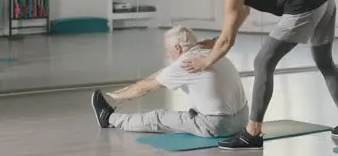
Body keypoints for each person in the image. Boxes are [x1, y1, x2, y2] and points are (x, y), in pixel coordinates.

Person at [180, 0, 338, 150]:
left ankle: (252, 134)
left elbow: (228, 41)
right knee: (325, 62)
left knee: (263, 61)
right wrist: (217, 40)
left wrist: (204, 62)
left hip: (304, 5)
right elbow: (242, 13)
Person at [91, 25, 248, 138]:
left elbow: (146, 88)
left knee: (157, 118)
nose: (167, 54)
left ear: (178, 48)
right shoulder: (211, 53)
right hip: (242, 120)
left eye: (168, 50)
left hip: (218, 126)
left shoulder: (185, 63)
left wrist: (119, 96)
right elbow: (160, 75)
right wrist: (127, 89)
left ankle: (109, 118)